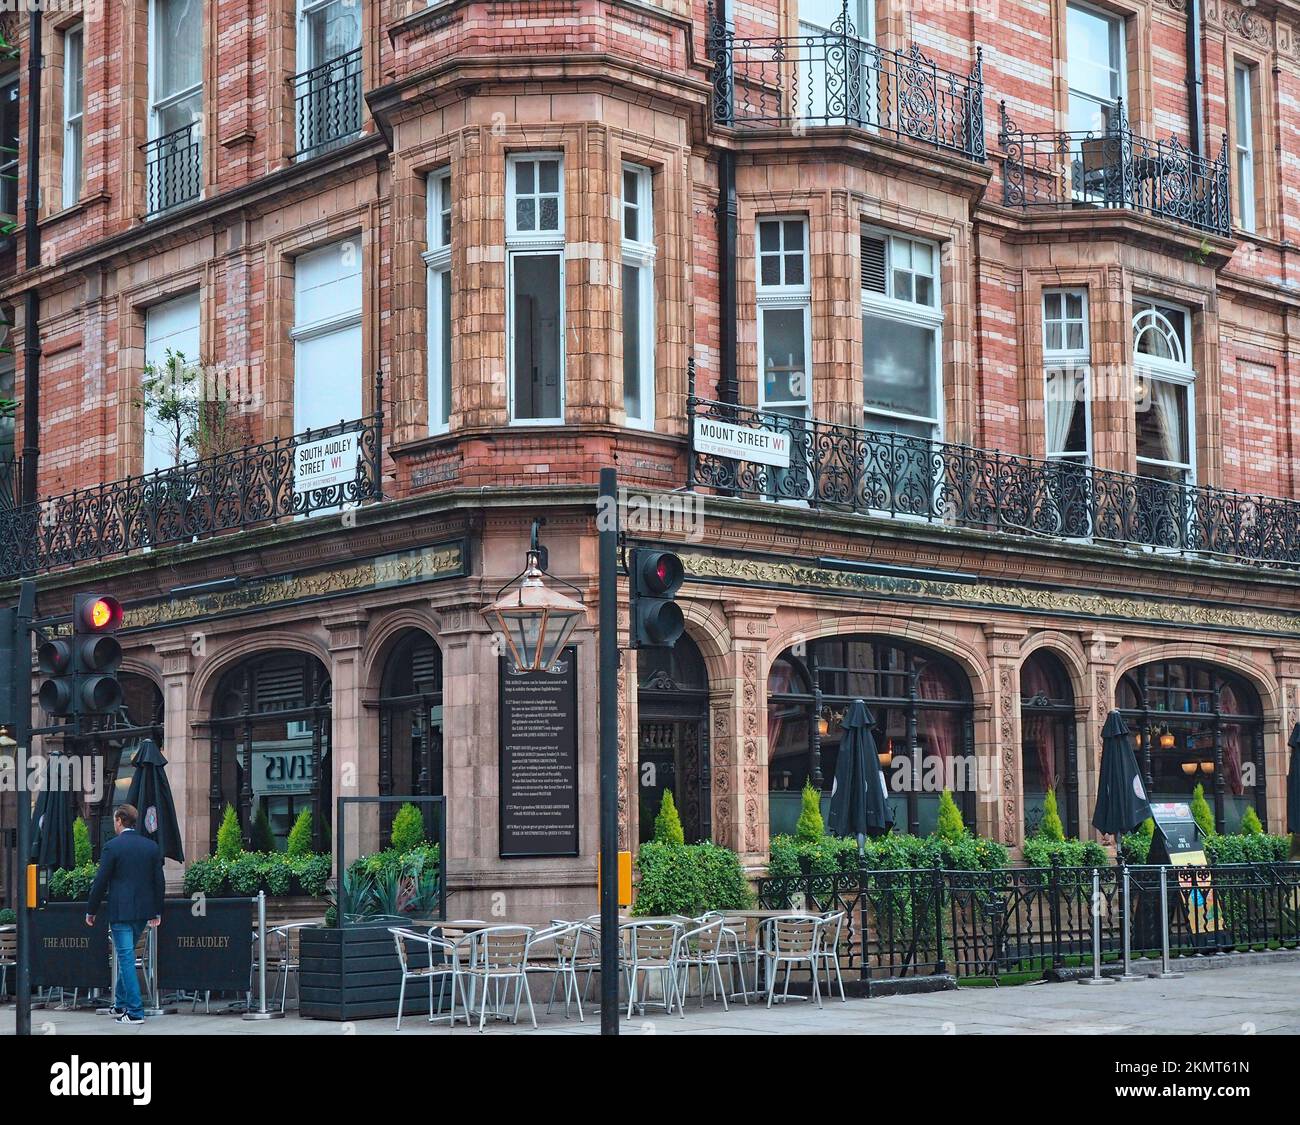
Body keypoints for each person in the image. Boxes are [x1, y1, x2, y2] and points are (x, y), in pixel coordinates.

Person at [85, 803, 164, 1026]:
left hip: (121, 912)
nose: (114, 824)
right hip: (143, 912)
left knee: (126, 959)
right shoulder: (150, 847)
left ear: (120, 820)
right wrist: (157, 909)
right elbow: (159, 880)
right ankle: (120, 1003)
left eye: (115, 821)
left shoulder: (112, 847)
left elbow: (101, 881)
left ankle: (135, 1011)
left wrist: (91, 909)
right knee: (127, 957)